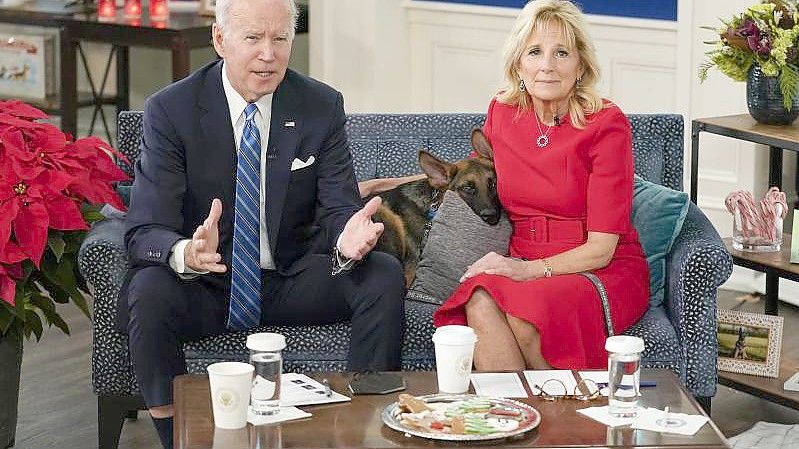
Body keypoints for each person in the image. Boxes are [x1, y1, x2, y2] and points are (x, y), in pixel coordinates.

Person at [121, 0, 405, 447]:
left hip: (289, 277)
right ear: (220, 40)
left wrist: (347, 236)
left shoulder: (320, 105)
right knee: (147, 289)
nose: (268, 54)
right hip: (209, 281)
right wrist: (185, 253)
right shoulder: (171, 111)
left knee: (381, 274)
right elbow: (144, 230)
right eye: (253, 38)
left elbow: (337, 207)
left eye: (280, 39)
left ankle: (362, 427)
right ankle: (178, 435)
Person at [431, 0, 649, 371]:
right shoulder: (502, 112)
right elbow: (468, 173)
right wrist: (383, 184)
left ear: (580, 64)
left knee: (523, 311)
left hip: (595, 265)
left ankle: (565, 420)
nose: (547, 65)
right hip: (523, 255)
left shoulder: (606, 124)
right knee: (479, 298)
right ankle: (514, 420)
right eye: (535, 52)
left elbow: (602, 248)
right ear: (519, 63)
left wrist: (526, 272)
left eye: (561, 52)